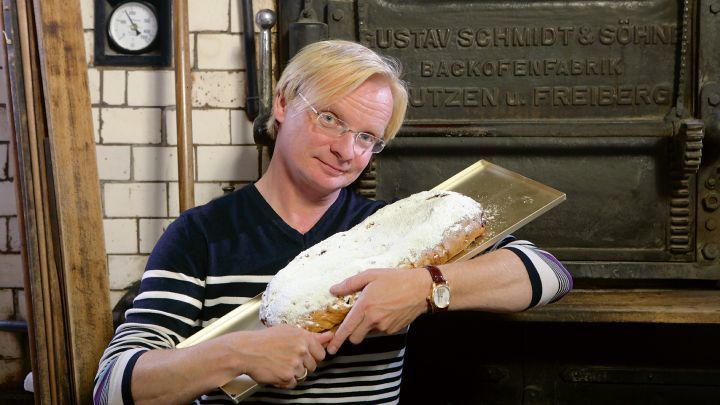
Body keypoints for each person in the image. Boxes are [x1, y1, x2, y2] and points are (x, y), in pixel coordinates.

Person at [94, 40, 572, 404]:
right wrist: (236, 355)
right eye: (330, 119)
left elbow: (550, 273)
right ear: (282, 103)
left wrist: (426, 287)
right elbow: (113, 387)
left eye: (368, 137)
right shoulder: (201, 235)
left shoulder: (395, 230)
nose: (347, 150)